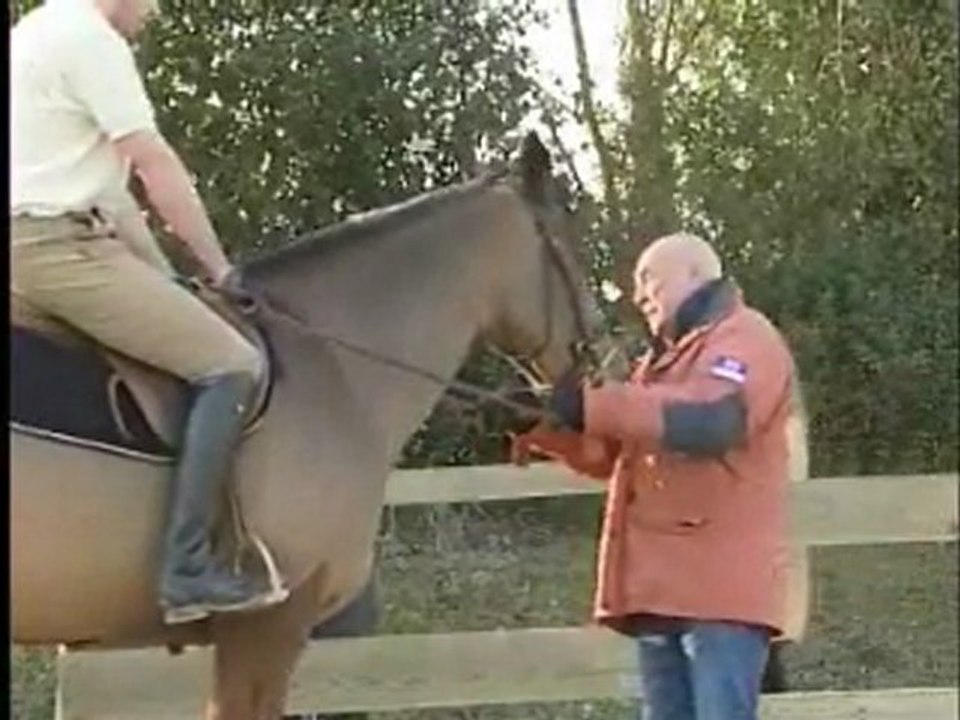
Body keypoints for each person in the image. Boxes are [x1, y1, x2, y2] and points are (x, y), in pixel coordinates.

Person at [10, 0, 282, 624]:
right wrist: (220, 270)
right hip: (58, 250)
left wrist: (167, 285)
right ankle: (187, 568)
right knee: (232, 363)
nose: (156, 10)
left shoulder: (38, 32)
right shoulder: (90, 39)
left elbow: (116, 201)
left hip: (39, 246)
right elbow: (155, 168)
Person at [512, 232, 799, 720]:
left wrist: (592, 404)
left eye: (648, 278)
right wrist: (540, 425)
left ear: (694, 274)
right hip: (663, 595)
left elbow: (712, 421)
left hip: (719, 601)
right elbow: (612, 456)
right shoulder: (660, 365)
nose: (637, 294)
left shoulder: (745, 337)